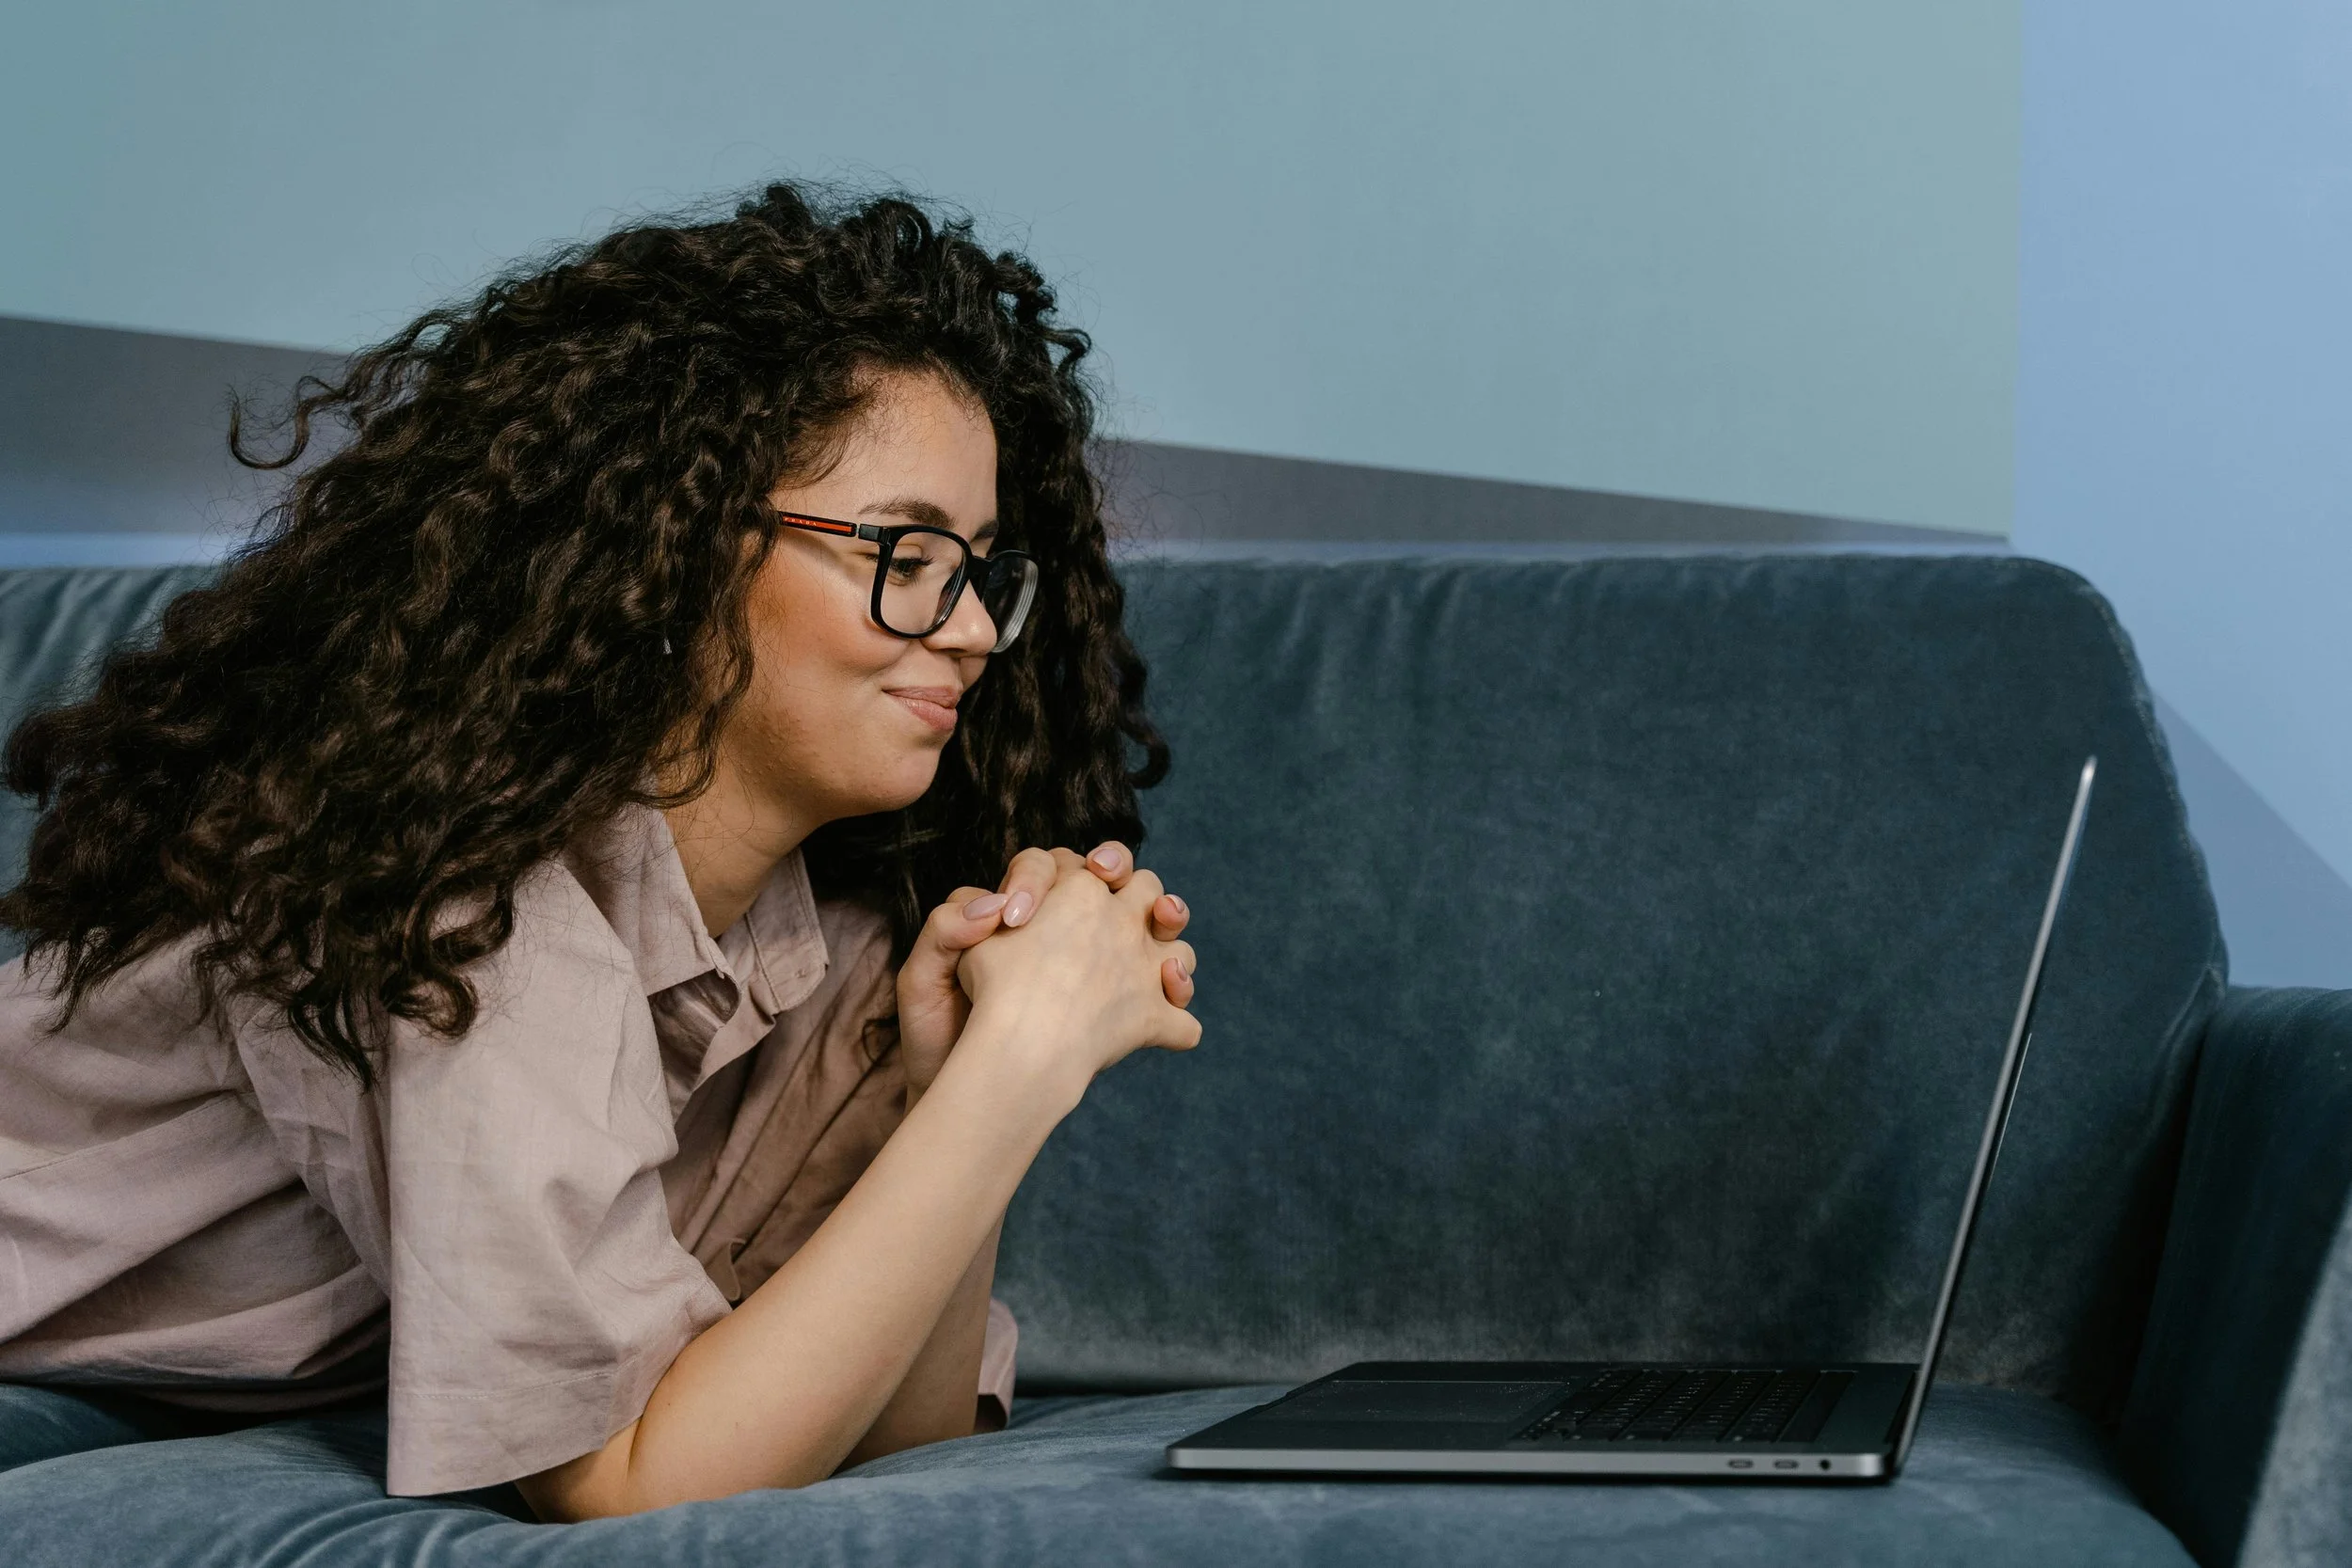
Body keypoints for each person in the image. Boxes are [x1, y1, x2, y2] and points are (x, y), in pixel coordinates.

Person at [0, 183, 1200, 1521]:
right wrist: (1020, 1073)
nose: (973, 630)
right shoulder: (469, 923)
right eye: (907, 552)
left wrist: (958, 1079)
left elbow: (894, 1445)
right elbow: (623, 1486)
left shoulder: (840, 956)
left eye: (981, 570)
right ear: (676, 551)